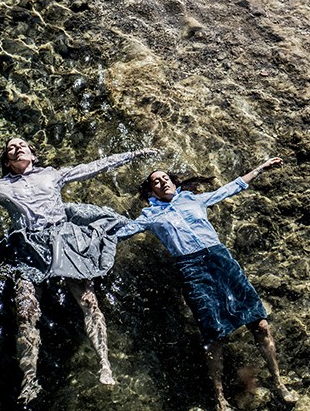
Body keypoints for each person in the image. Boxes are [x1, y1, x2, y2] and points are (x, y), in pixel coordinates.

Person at [0, 137, 159, 403]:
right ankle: (29, 379)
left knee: (89, 301)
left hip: (64, 238)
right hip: (28, 247)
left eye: (22, 145)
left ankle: (104, 363)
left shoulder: (52, 174)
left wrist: (134, 153)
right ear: (7, 161)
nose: (17, 147)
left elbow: (93, 166)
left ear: (33, 154)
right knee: (26, 311)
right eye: (11, 148)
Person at [115, 156, 297, 411]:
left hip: (221, 259)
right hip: (191, 269)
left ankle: (279, 382)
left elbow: (230, 188)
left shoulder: (193, 199)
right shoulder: (149, 216)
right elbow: (121, 232)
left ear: (173, 183)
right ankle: (220, 398)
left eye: (165, 178)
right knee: (214, 337)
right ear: (150, 191)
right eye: (156, 181)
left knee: (260, 323)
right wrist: (88, 236)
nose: (162, 182)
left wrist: (260, 168)